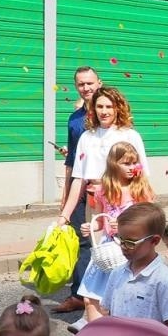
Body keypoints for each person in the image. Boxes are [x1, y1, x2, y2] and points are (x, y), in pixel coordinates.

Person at [76, 141, 157, 314]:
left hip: (131, 247)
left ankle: (119, 326)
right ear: (113, 164)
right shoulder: (103, 190)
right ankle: (98, 330)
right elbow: (100, 220)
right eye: (126, 163)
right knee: (91, 297)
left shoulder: (141, 189)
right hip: (108, 248)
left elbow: (151, 220)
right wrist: (91, 226)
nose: (131, 167)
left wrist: (125, 225)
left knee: (122, 298)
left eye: (134, 162)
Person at [84, 202, 168, 334]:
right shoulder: (116, 273)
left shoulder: (164, 280)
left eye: (130, 242)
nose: (123, 246)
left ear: (154, 241)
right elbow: (107, 312)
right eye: (120, 239)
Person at [57, 87, 148, 232]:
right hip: (96, 202)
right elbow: (79, 179)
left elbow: (142, 175)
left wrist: (143, 211)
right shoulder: (86, 137)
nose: (104, 111)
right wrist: (65, 215)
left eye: (109, 107)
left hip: (126, 202)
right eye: (100, 106)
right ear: (93, 109)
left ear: (118, 108)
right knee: (97, 243)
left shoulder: (130, 135)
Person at [56, 65, 101, 314]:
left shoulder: (110, 112)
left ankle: (104, 296)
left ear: (99, 83)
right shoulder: (74, 119)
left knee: (105, 242)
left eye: (89, 83)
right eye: (81, 84)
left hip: (105, 189)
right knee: (79, 241)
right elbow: (71, 160)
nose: (86, 88)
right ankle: (79, 295)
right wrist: (65, 197)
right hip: (79, 187)